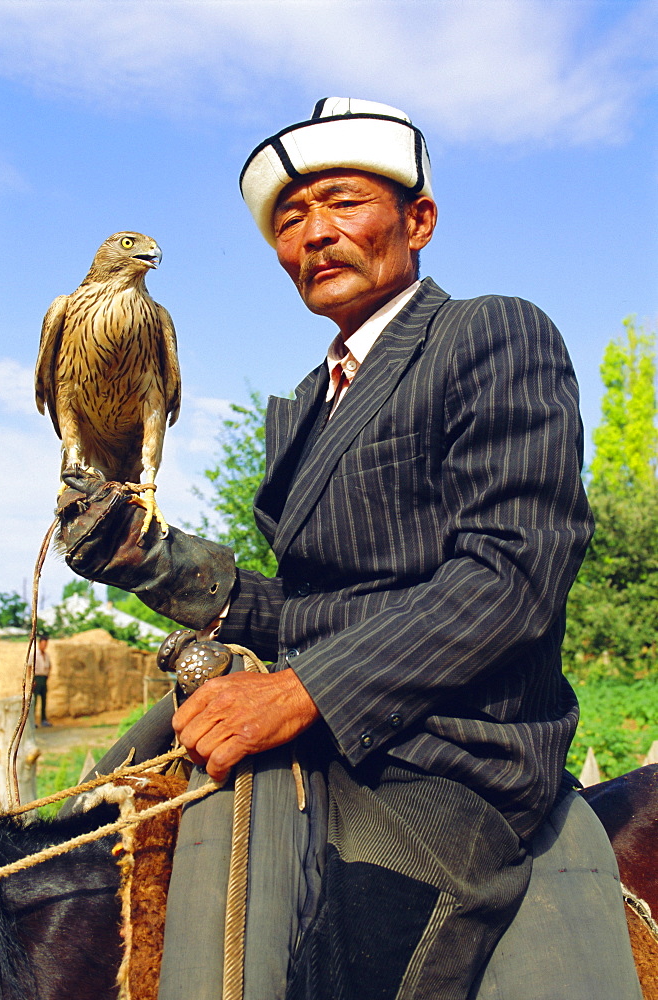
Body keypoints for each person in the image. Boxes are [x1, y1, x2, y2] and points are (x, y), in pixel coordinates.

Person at [57, 99, 641, 999]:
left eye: (343, 204)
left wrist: (298, 692)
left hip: (452, 760)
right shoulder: (304, 406)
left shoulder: (493, 332)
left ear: (419, 221)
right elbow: (310, 611)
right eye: (291, 219)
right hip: (324, 737)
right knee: (78, 838)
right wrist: (147, 557)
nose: (316, 234)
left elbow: (512, 572)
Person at [34, 634, 52, 727]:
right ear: (39, 644)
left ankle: (43, 720)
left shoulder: (46, 655)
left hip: (44, 678)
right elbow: (29, 667)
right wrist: (32, 680)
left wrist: (48, 674)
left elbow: (50, 666)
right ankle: (32, 721)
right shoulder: (35, 655)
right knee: (34, 701)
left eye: (46, 644)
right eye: (43, 644)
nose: (44, 646)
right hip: (37, 678)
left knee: (44, 700)